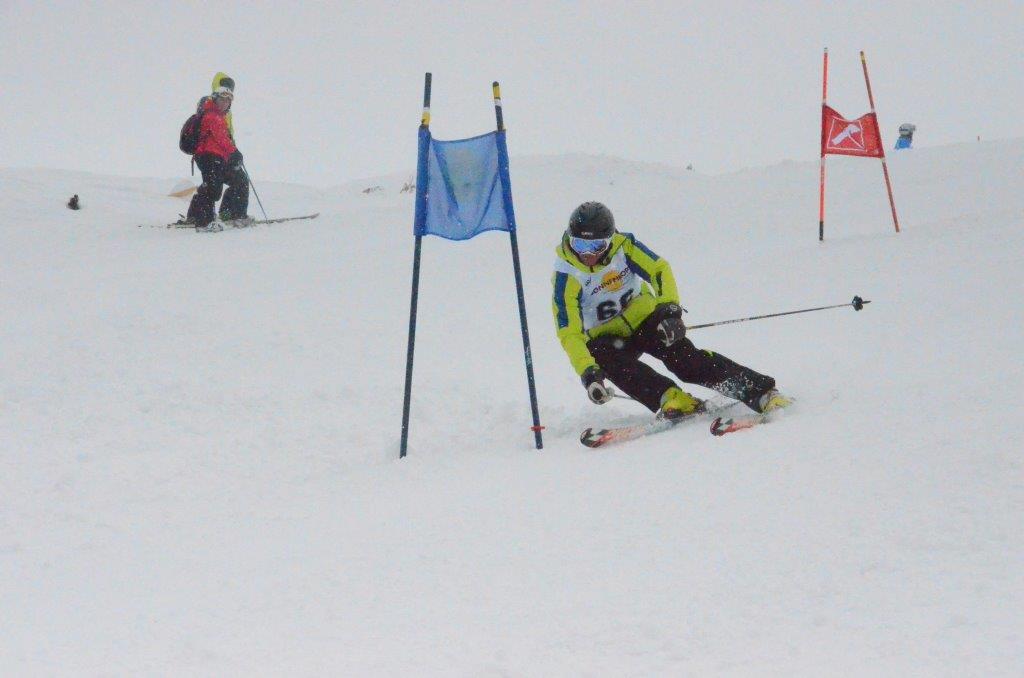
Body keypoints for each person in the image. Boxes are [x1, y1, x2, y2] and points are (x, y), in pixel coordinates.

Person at [551, 202, 789, 418]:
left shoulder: (624, 248)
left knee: (685, 362)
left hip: (645, 320)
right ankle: (671, 398)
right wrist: (588, 372)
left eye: (596, 245)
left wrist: (670, 311)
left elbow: (659, 269)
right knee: (602, 357)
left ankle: (759, 392)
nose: (587, 254)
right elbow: (569, 332)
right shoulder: (566, 276)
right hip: (608, 337)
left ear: (610, 240)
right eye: (580, 244)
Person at [184, 82, 250, 231]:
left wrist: (232, 153)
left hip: (218, 158)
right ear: (215, 99)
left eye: (228, 100)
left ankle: (227, 214)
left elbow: (222, 140)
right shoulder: (212, 116)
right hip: (209, 157)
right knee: (213, 189)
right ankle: (204, 222)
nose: (225, 103)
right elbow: (221, 139)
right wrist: (234, 153)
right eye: (222, 99)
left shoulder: (218, 116)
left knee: (238, 180)